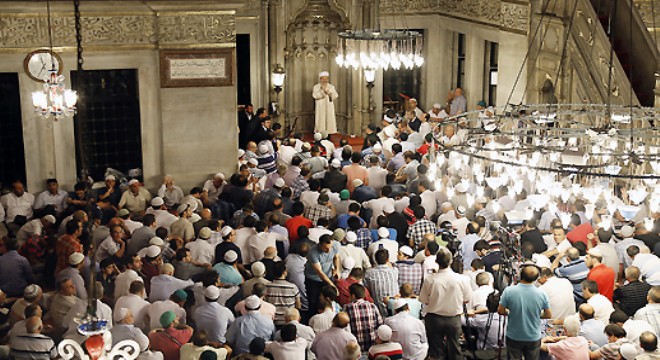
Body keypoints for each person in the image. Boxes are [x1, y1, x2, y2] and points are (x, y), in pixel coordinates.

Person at [420, 247, 472, 360]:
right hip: (453, 319)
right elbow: (467, 299)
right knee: (455, 350)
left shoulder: (430, 280)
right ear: (451, 261)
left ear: (436, 261)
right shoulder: (462, 279)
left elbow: (424, 300)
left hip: (434, 319)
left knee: (436, 351)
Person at [498, 264, 552, 360]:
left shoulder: (509, 291)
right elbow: (548, 314)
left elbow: (500, 311)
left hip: (514, 336)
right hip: (533, 336)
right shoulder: (541, 294)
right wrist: (536, 314)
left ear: (520, 275)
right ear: (536, 278)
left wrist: (511, 312)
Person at [343, 283, 383, 352]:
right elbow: (380, 325)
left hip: (355, 350)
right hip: (373, 349)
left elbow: (344, 329)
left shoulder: (347, 308)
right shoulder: (373, 306)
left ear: (353, 296)